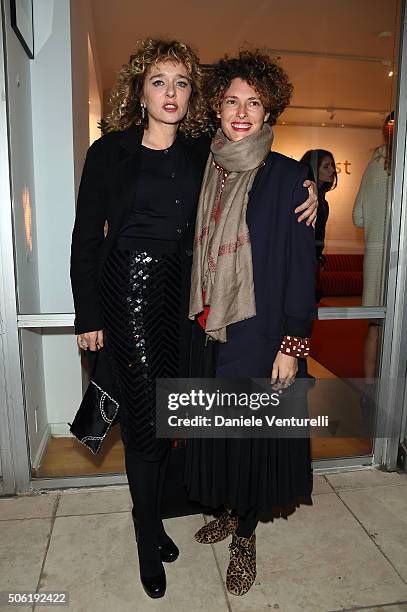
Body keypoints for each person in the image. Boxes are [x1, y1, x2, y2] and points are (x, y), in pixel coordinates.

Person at [70, 39, 318, 600]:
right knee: (151, 419)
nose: (241, 112)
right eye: (159, 81)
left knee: (226, 427)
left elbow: (296, 239)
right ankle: (148, 528)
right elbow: (86, 238)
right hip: (145, 300)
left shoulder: (215, 159)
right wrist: (88, 313)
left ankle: (242, 530)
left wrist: (315, 196)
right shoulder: (120, 152)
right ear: (139, 89)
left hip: (200, 314)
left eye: (182, 82)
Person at [186, 50, 317, 597]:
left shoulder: (290, 178)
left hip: (262, 335)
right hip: (208, 329)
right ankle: (228, 510)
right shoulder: (201, 165)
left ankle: (245, 534)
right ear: (218, 106)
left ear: (269, 113)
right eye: (233, 100)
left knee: (250, 441)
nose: (242, 111)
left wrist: (291, 345)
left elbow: (301, 269)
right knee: (218, 435)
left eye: (254, 102)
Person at [352, 112, 394, 401]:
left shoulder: (374, 165)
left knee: (376, 326)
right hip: (398, 263)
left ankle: (369, 388)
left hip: (377, 262)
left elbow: (357, 217)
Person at [300, 149, 337, 301]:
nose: (333, 170)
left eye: (332, 166)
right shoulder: (303, 196)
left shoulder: (322, 201)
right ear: (314, 168)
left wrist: (319, 258)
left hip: (312, 261)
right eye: (326, 166)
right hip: (301, 262)